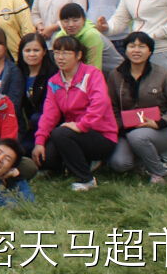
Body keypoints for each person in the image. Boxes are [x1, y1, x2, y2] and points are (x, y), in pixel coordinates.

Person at [32, 35, 118, 191]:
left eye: (66, 53)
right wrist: (39, 141)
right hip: (73, 134)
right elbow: (49, 114)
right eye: (56, 53)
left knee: (60, 133)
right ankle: (73, 165)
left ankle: (86, 179)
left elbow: (100, 103)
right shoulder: (54, 81)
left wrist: (81, 125)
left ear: (78, 55)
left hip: (101, 135)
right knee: (46, 158)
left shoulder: (92, 74)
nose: (60, 57)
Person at [107, 31, 167, 183]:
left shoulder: (163, 74)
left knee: (138, 137)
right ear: (125, 50)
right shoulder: (115, 75)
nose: (136, 50)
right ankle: (140, 160)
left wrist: (160, 123)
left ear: (150, 52)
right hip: (127, 131)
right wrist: (121, 126)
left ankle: (158, 174)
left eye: (142, 46)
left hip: (160, 131)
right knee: (119, 164)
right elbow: (112, 107)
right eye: (132, 46)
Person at [53, 3, 122, 74]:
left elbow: (94, 69)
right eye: (66, 21)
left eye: (75, 20)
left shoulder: (91, 35)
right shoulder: (60, 36)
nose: (71, 25)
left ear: (84, 20)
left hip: (114, 73)